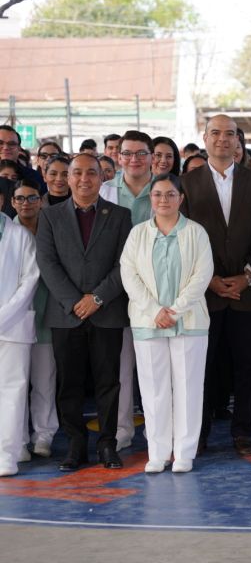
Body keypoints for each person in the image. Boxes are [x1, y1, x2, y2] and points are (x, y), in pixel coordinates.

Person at [180, 115, 251, 456]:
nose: (222, 139)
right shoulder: (185, 184)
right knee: (203, 369)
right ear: (204, 138)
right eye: (215, 133)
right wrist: (211, 280)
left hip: (247, 291)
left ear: (238, 141)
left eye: (229, 134)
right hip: (204, 294)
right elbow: (184, 241)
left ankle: (243, 432)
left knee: (247, 367)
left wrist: (248, 276)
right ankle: (197, 434)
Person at [36, 154, 132, 471]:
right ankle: (75, 445)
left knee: (108, 382)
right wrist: (75, 301)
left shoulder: (120, 216)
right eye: (76, 173)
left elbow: (124, 264)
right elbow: (47, 264)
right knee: (70, 383)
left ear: (102, 178)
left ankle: (107, 444)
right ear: (67, 178)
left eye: (91, 172)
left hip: (107, 311)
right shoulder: (49, 217)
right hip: (67, 313)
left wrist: (98, 298)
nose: (83, 179)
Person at [120, 173, 214, 473]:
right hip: (148, 323)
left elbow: (202, 275)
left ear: (181, 198)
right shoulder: (138, 234)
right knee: (153, 389)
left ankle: (184, 453)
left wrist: (173, 310)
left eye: (170, 194)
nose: (164, 200)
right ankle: (158, 452)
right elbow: (129, 275)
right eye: (158, 194)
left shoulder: (196, 232)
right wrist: (153, 310)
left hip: (189, 321)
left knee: (188, 387)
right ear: (151, 198)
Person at [99, 130, 155, 451]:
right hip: (115, 290)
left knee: (154, 365)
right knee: (119, 366)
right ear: (119, 157)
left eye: (141, 153)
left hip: (154, 292)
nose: (134, 160)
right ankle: (122, 429)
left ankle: (156, 427)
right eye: (128, 153)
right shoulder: (105, 192)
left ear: (151, 156)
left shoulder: (164, 190)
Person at [12, 180, 59, 459]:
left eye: (31, 198)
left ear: (41, 200)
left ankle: (44, 436)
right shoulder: (7, 232)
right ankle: (16, 440)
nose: (26, 203)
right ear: (12, 201)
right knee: (15, 383)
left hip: (46, 315)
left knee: (44, 381)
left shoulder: (51, 229)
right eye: (20, 198)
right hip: (12, 319)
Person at [0, 183, 39, 476]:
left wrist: (3, 317)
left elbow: (29, 281)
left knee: (12, 392)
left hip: (12, 327)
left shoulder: (20, 235)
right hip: (9, 324)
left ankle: (7, 456)